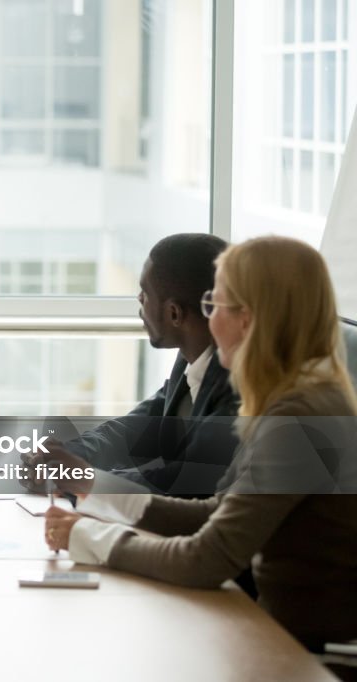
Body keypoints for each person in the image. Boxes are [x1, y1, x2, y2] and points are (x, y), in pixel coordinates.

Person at [43, 236, 357, 652]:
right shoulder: (296, 397)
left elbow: (206, 559)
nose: (207, 321)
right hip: (276, 630)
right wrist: (91, 486)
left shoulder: (297, 419)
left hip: (309, 652)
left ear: (247, 318)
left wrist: (86, 538)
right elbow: (214, 512)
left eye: (214, 305)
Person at [59, 233, 239, 494]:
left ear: (174, 313)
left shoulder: (237, 387)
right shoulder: (191, 359)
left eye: (145, 292)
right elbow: (141, 428)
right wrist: (66, 457)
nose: (139, 299)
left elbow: (182, 485)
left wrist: (81, 480)